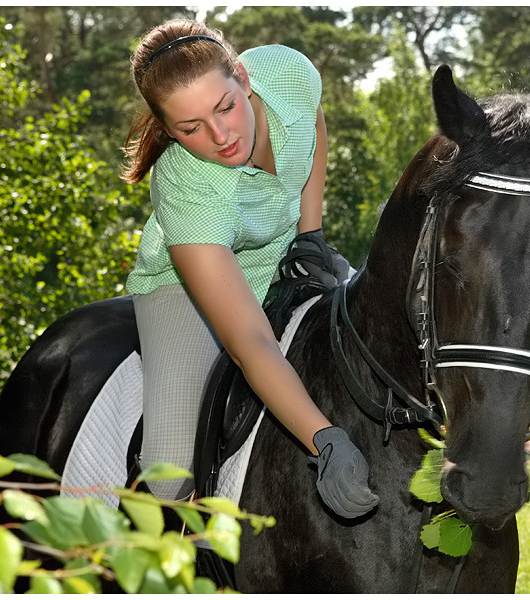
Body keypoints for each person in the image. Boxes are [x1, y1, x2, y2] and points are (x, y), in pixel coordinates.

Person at [121, 19, 377, 519]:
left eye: (225, 107)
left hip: (286, 253)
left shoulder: (285, 71)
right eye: (190, 128)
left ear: (243, 77)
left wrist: (311, 234)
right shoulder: (182, 181)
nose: (220, 136)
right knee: (170, 468)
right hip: (186, 291)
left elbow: (312, 120)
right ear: (166, 129)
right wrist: (321, 438)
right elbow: (249, 343)